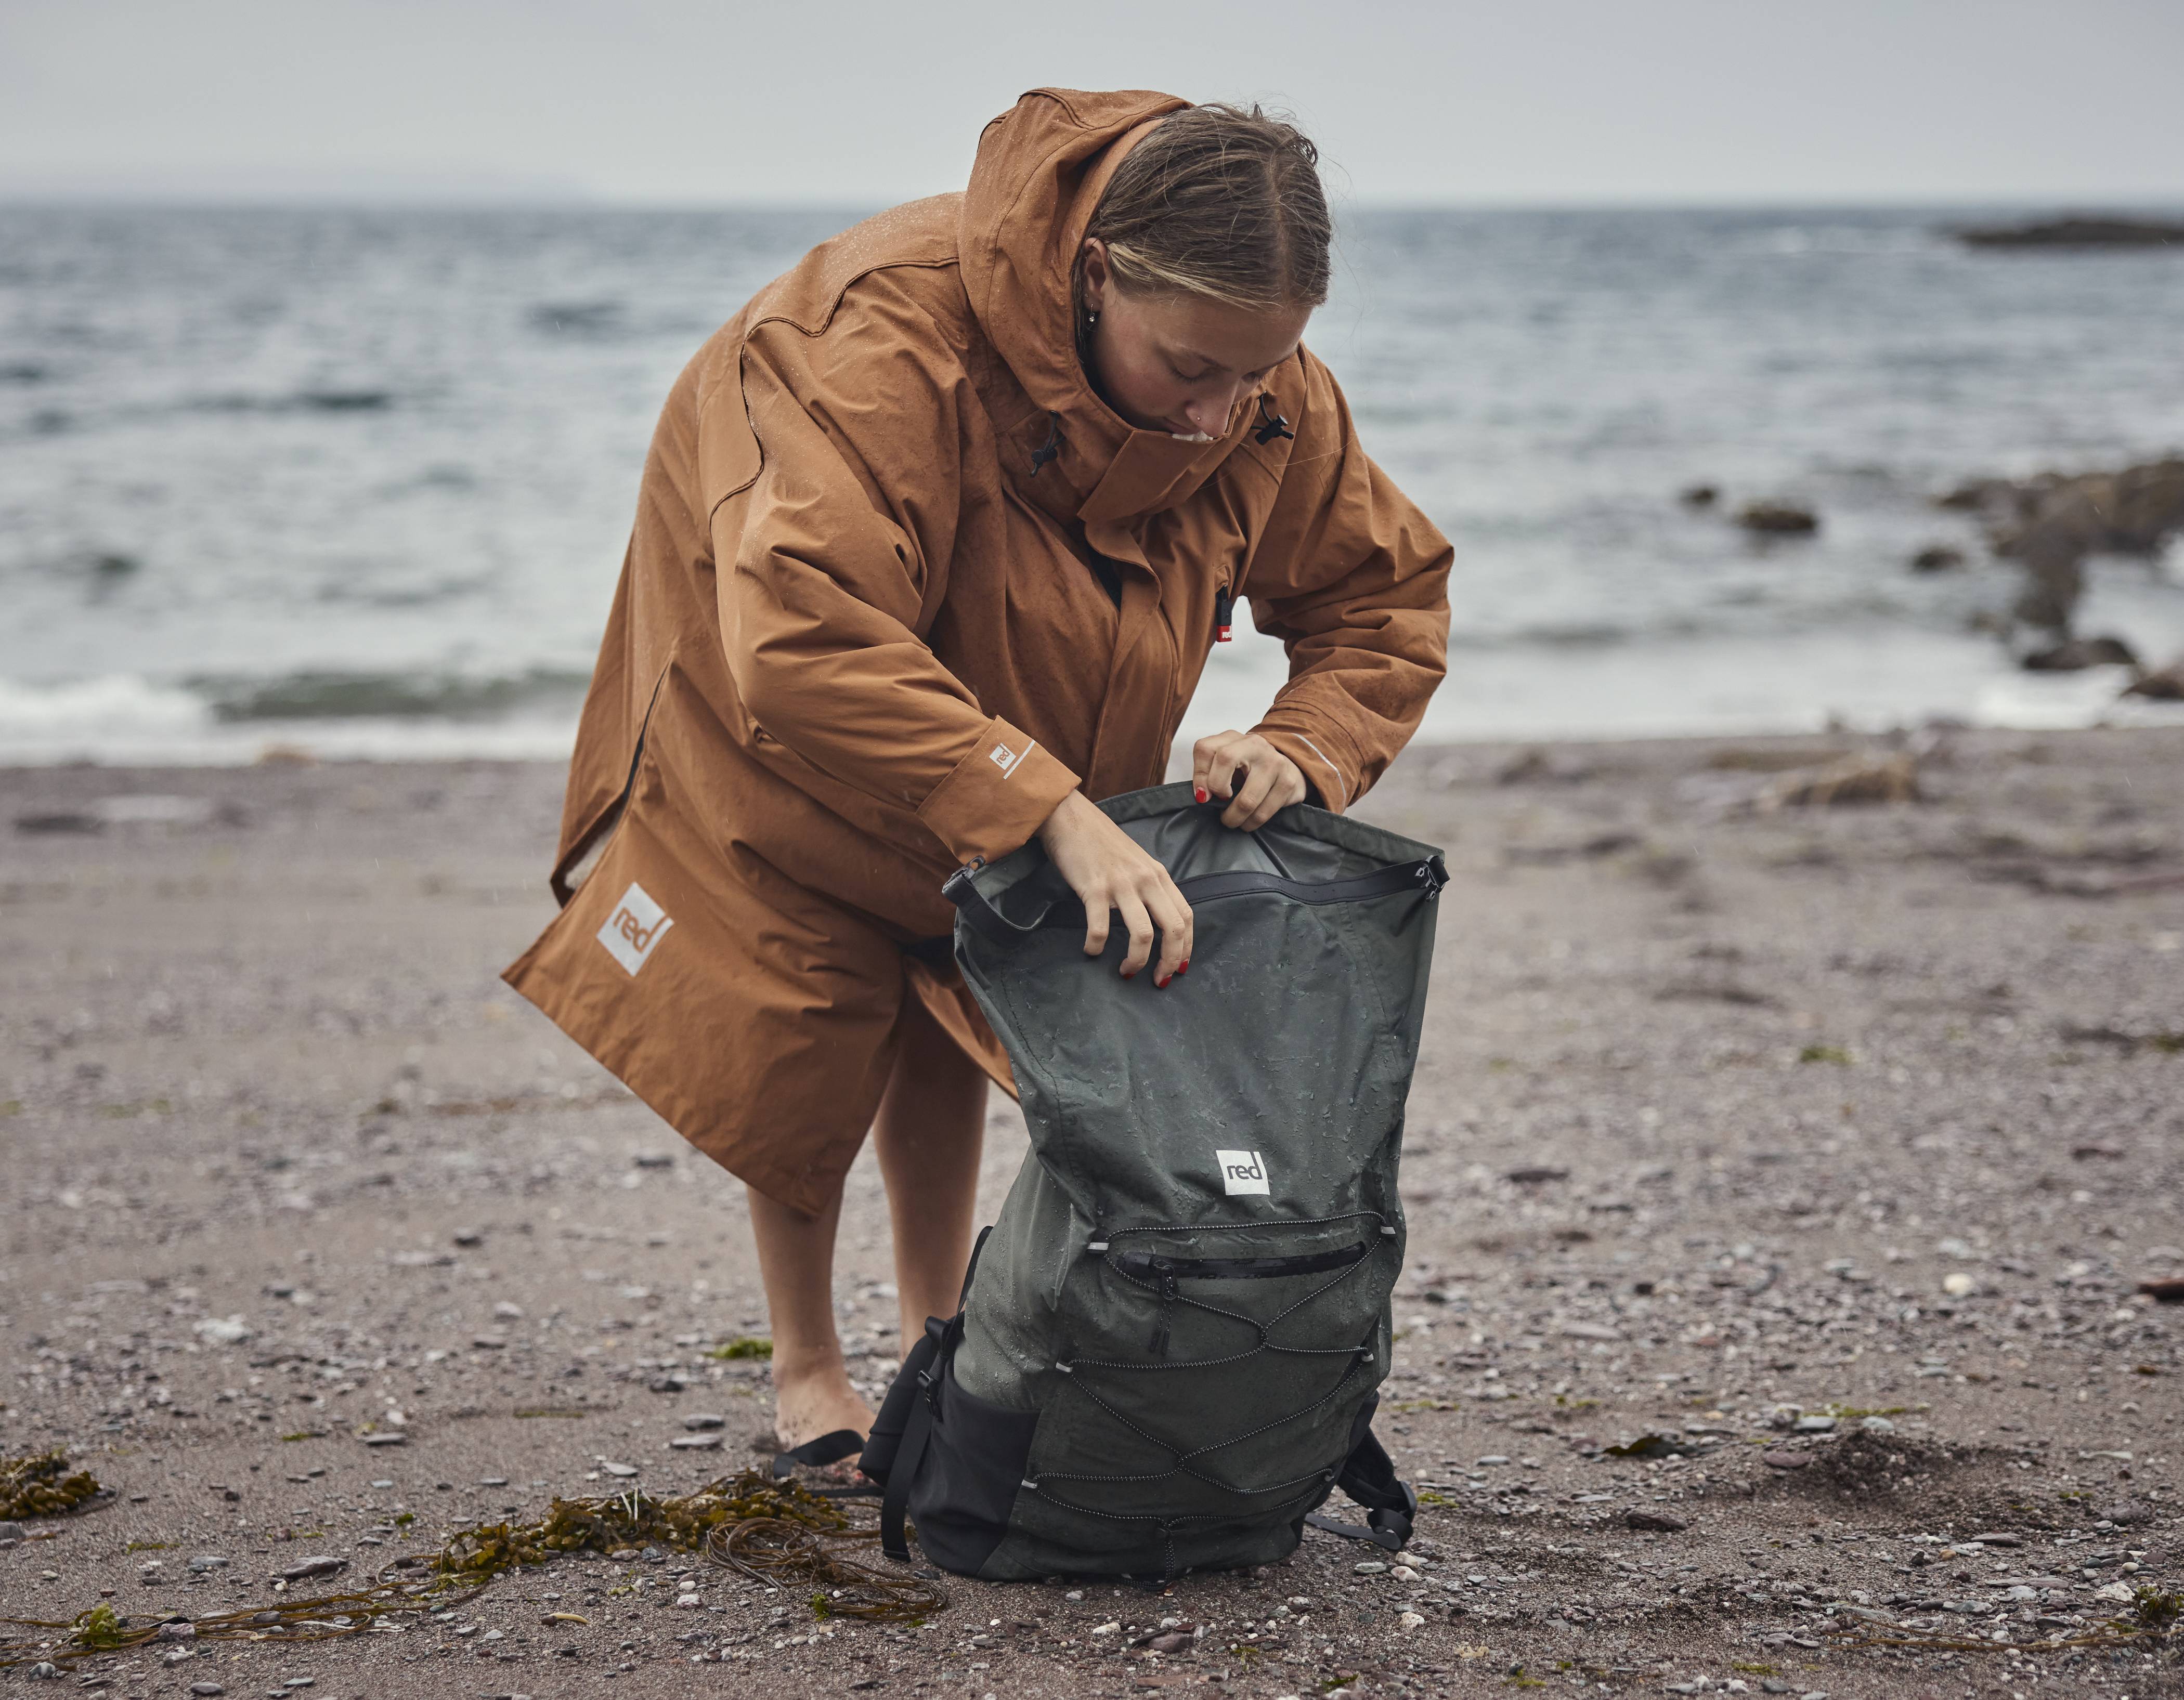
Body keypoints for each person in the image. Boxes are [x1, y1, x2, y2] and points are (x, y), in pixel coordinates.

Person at [504, 87, 1452, 1463]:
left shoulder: (1257, 394)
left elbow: (1384, 599)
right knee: (812, 993)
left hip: (1016, 688)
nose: (1221, 415)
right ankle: (807, 1368)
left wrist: (1299, 744)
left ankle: (935, 1335)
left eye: (1261, 373)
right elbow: (803, 634)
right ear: (1097, 274)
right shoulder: (874, 344)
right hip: (772, 688)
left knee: (959, 956)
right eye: (1193, 369)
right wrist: (1045, 803)